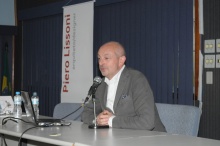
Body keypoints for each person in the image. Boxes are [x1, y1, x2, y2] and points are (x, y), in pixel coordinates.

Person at [82, 41, 166, 132]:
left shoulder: (136, 79)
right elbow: (86, 114)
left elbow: (147, 122)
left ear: (121, 60)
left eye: (106, 58)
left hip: (149, 139)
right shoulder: (100, 85)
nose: (101, 63)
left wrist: (111, 120)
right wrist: (97, 119)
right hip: (116, 137)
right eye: (99, 58)